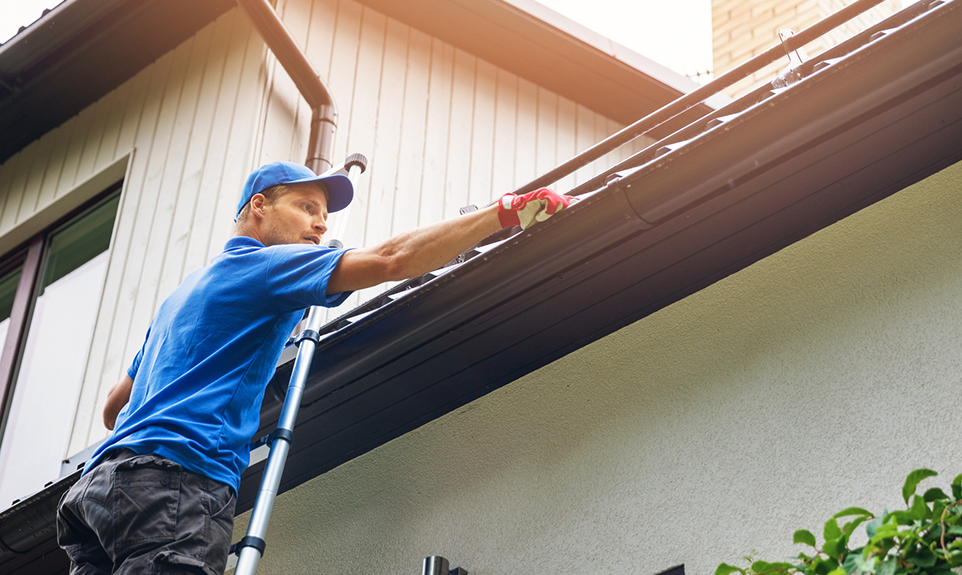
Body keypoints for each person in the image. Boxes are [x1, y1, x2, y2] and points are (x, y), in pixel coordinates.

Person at [56, 161, 575, 575]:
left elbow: (111, 408)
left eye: (323, 214)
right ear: (258, 207)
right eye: (306, 207)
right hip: (176, 483)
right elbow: (393, 259)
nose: (321, 224)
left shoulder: (180, 298)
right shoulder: (265, 267)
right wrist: (505, 212)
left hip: (101, 493)